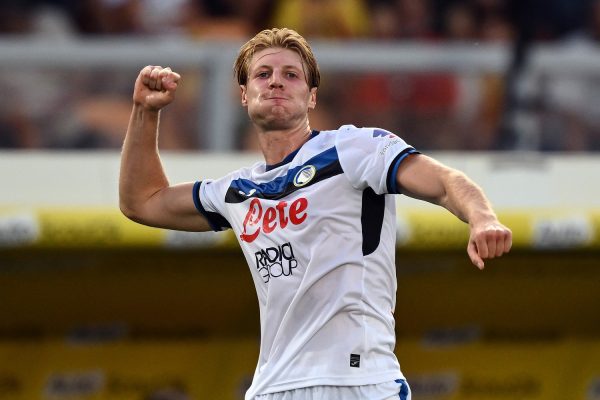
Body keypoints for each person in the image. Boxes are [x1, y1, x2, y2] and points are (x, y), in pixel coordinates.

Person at [119, 27, 512, 400]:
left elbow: (444, 181)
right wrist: (144, 111)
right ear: (244, 95)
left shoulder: (352, 149)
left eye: (291, 75)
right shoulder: (237, 191)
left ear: (311, 97)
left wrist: (482, 218)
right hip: (273, 386)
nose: (276, 82)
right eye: (263, 74)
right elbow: (142, 201)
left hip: (357, 382)